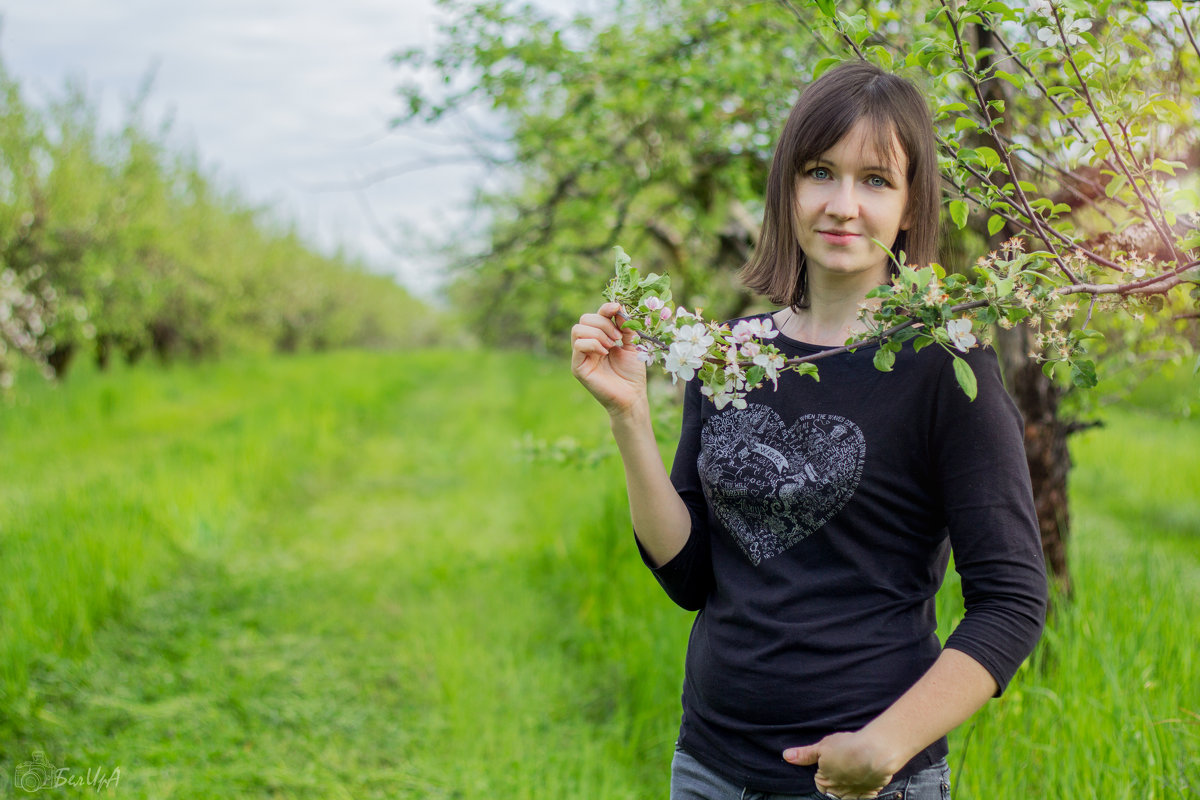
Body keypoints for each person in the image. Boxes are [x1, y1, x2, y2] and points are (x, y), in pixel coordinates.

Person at [570, 61, 1047, 800]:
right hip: (708, 766)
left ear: (912, 207)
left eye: (876, 180)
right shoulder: (731, 353)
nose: (842, 205)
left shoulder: (948, 369)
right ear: (788, 189)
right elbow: (691, 576)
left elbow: (1012, 599)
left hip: (865, 782)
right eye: (820, 172)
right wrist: (629, 419)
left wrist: (885, 745)